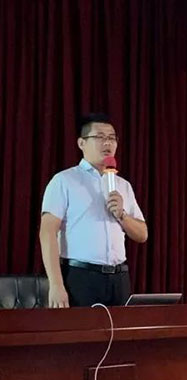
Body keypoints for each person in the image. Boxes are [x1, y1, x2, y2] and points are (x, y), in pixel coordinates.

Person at [39, 113, 148, 308]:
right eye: (100, 137)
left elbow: (142, 234)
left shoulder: (123, 185)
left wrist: (122, 215)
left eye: (112, 138)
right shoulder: (64, 181)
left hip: (119, 278)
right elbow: (47, 232)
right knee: (81, 328)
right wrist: (56, 284)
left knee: (121, 328)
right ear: (81, 143)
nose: (108, 143)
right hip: (81, 277)